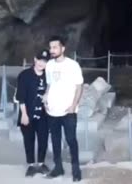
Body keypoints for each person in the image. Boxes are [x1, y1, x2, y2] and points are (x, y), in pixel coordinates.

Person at [43, 36, 84, 182]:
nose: (52, 50)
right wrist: (46, 97)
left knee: (71, 139)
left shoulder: (73, 65)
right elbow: (49, 85)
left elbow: (79, 86)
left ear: (63, 48)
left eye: (55, 47)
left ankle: (76, 169)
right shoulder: (49, 65)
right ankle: (58, 167)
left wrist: (74, 105)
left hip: (68, 110)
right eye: (50, 47)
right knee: (55, 139)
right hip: (52, 110)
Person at [16, 49, 51, 177]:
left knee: (43, 139)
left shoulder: (48, 75)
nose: (42, 63)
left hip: (43, 115)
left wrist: (47, 94)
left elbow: (52, 88)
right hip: (28, 114)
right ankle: (31, 165)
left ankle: (41, 163)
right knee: (28, 140)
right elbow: (21, 97)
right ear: (35, 59)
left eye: (45, 61)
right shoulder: (24, 75)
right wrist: (24, 115)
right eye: (40, 60)